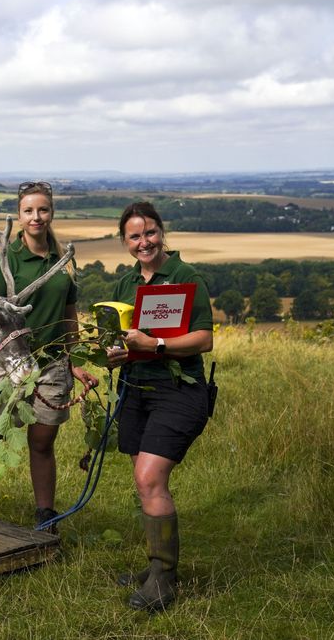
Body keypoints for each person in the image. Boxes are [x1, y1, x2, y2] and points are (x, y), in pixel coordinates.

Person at [0, 180, 98, 530]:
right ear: (19, 216)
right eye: (28, 211)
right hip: (9, 363)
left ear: (51, 212)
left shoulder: (64, 262)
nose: (36, 217)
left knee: (42, 440)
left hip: (51, 363)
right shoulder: (5, 260)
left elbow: (70, 316)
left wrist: (76, 362)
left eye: (43, 210)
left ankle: (45, 516)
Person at [106, 201, 214, 612]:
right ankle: (155, 569)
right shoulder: (124, 284)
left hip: (179, 391)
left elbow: (204, 339)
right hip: (136, 390)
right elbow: (121, 341)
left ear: (161, 232)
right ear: (125, 242)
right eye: (134, 236)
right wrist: (114, 355)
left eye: (150, 232)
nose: (143, 242)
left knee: (150, 478)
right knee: (142, 480)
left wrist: (159, 345)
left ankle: (165, 582)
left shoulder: (186, 277)